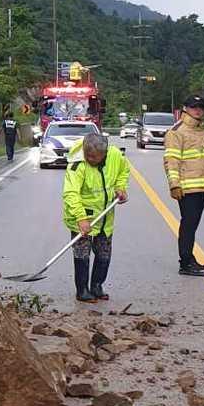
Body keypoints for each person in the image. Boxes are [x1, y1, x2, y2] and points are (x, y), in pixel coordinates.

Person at [62, 129, 129, 302]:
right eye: (88, 155)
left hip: (105, 216)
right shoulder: (77, 164)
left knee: (104, 253)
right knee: (82, 254)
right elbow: (70, 194)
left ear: (104, 154)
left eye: (94, 157)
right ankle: (82, 290)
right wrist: (81, 218)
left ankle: (97, 286)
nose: (90, 159)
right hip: (81, 217)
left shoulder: (115, 155)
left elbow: (123, 171)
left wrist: (120, 188)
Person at [164, 95, 204, 277]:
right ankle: (185, 262)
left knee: (193, 225)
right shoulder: (176, 131)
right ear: (185, 109)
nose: (197, 110)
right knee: (188, 225)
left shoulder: (201, 132)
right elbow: (171, 160)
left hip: (202, 187)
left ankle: (189, 259)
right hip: (187, 188)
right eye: (193, 107)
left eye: (200, 107)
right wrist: (174, 185)